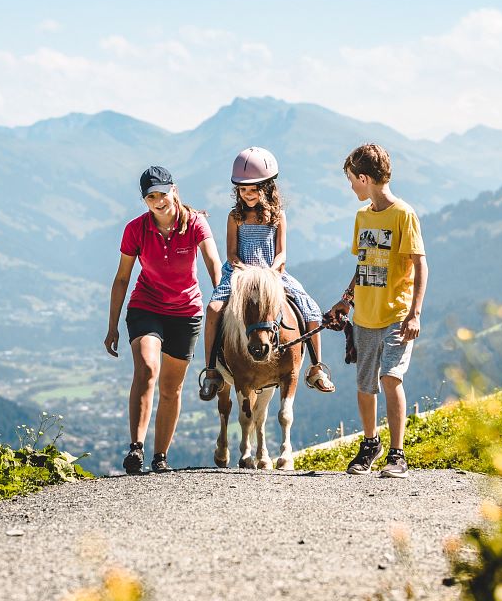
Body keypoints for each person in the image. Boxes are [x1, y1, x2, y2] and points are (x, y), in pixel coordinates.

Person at [104, 166, 223, 474]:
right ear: (145, 201)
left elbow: (213, 262)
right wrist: (112, 325)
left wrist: (222, 300)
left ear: (175, 190)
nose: (159, 201)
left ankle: (160, 457)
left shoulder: (195, 223)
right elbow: (121, 279)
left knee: (171, 388)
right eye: (151, 197)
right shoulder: (135, 229)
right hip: (147, 306)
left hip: (186, 313)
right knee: (147, 368)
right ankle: (136, 449)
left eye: (162, 194)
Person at [197, 147, 335, 401]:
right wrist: (246, 272)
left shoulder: (277, 216)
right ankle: (211, 371)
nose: (247, 195)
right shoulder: (234, 216)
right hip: (240, 275)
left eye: (253, 189)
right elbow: (232, 254)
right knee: (214, 309)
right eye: (242, 190)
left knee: (310, 308)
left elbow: (281, 253)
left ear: (267, 187)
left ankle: (316, 367)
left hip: (272, 275)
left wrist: (271, 272)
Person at [328, 144, 427, 479]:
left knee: (390, 378)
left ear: (364, 177)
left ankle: (397, 455)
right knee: (365, 384)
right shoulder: (363, 217)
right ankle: (371, 444)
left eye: (352, 181)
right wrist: (347, 298)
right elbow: (365, 262)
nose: (352, 188)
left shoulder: (403, 215)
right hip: (365, 316)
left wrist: (415, 313)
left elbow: (420, 264)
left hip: (397, 314)